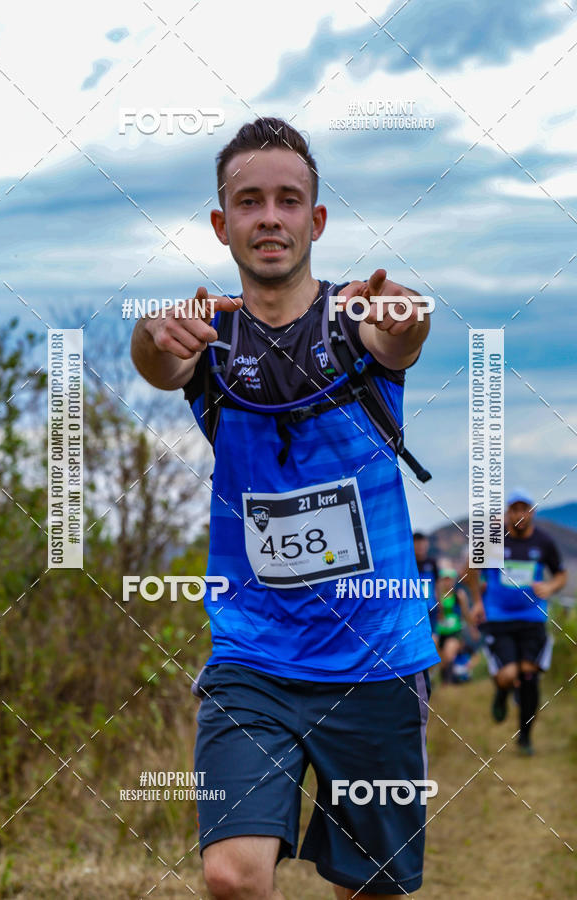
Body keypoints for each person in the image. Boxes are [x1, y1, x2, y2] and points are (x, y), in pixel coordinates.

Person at [131, 117, 440, 899]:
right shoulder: (211, 336)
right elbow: (159, 364)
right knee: (232, 877)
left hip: (376, 657)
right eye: (250, 201)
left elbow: (401, 339)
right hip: (252, 657)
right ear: (222, 221)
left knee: (368, 887)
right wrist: (152, 332)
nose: (270, 216)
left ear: (316, 219)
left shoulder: (356, 324)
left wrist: (406, 316)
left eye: (289, 200)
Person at [470, 488, 567, 755]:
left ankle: (525, 737)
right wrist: (478, 601)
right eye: (514, 509)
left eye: (524, 509)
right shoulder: (493, 539)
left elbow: (561, 574)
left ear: (532, 512)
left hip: (532, 618)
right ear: (507, 512)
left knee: (529, 675)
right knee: (509, 674)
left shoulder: (544, 542)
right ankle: (502, 691)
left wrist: (551, 587)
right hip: (498, 618)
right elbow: (469, 568)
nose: (519, 514)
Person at [413, 532, 440, 636]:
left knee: (433, 637)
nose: (420, 547)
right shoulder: (411, 565)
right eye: (417, 544)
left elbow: (438, 585)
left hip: (431, 607)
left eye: (422, 544)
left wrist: (440, 605)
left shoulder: (432, 563)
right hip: (416, 609)